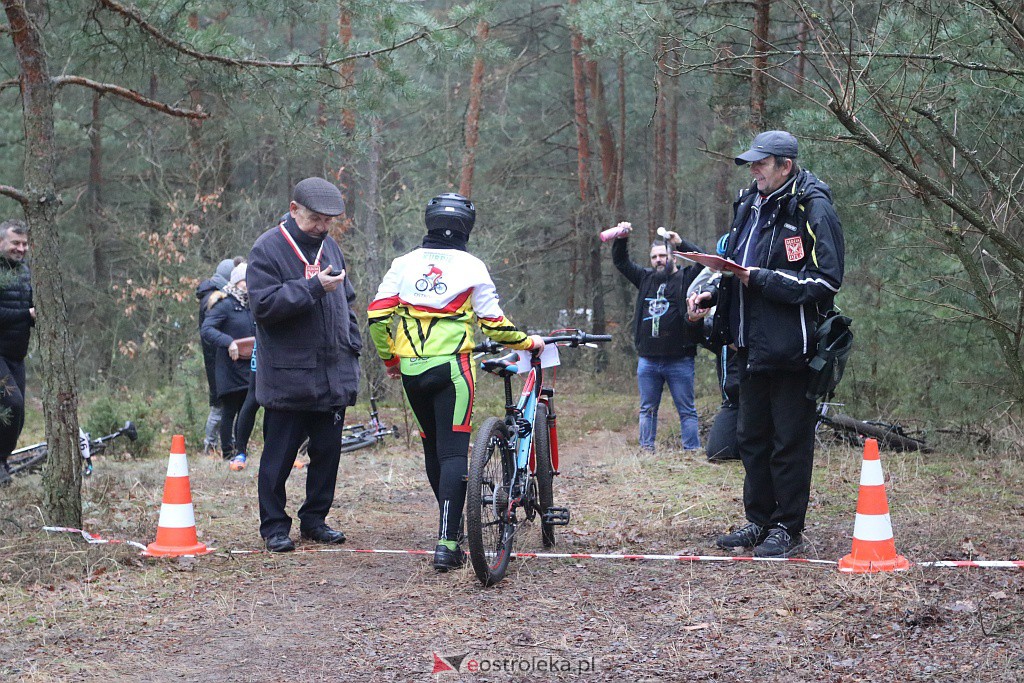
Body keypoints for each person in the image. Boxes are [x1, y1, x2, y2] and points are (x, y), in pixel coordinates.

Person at [367, 192, 544, 572]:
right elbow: (494, 323)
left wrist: (390, 358)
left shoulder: (404, 262)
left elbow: (377, 318)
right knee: (453, 453)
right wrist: (528, 342)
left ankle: (450, 529)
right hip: (452, 369)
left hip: (412, 370)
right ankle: (447, 542)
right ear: (468, 226)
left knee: (434, 449)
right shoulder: (472, 266)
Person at [696, 130, 844, 558]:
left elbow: (825, 281)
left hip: (793, 351)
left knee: (788, 443)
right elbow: (736, 271)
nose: (754, 169)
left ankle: (787, 528)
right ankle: (758, 522)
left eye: (762, 162)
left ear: (786, 165)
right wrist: (712, 299)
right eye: (752, 163)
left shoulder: (812, 207)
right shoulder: (748, 204)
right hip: (748, 347)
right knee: (752, 439)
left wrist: (759, 279)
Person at [247, 177, 362, 553]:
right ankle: (275, 527)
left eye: (328, 221)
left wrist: (352, 345)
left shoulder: (331, 248)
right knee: (278, 458)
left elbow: (348, 301)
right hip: (288, 379)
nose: (322, 227)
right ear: (294, 209)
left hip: (332, 376)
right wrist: (313, 288)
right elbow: (263, 307)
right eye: (315, 219)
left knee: (327, 456)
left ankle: (315, 520)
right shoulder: (268, 249)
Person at [610, 223, 705, 452]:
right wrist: (621, 238)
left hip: (679, 359)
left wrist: (681, 243)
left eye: (663, 255)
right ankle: (646, 451)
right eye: (654, 257)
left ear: (673, 257)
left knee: (687, 410)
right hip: (648, 359)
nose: (659, 260)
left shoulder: (685, 277)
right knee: (647, 409)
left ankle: (691, 451)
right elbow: (621, 262)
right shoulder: (645, 278)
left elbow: (704, 262)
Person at [200, 263, 254, 470]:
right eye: (244, 280)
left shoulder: (251, 305)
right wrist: (228, 342)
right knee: (229, 410)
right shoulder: (224, 304)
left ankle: (240, 450)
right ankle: (228, 452)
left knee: (247, 408)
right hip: (230, 367)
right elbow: (207, 329)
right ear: (236, 281)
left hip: (250, 366)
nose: (248, 284)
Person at [0, 220, 34, 487]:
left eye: (24, 244)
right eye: (15, 243)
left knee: (18, 416)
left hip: (16, 356)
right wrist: (27, 314)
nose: (20, 248)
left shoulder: (25, 272)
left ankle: (3, 460)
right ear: (2, 243)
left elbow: (32, 307)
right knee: (13, 405)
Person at [196, 258, 239, 453]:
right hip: (217, 360)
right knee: (218, 405)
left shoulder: (211, 295)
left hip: (217, 358)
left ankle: (221, 443)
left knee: (222, 404)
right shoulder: (213, 299)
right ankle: (210, 446)